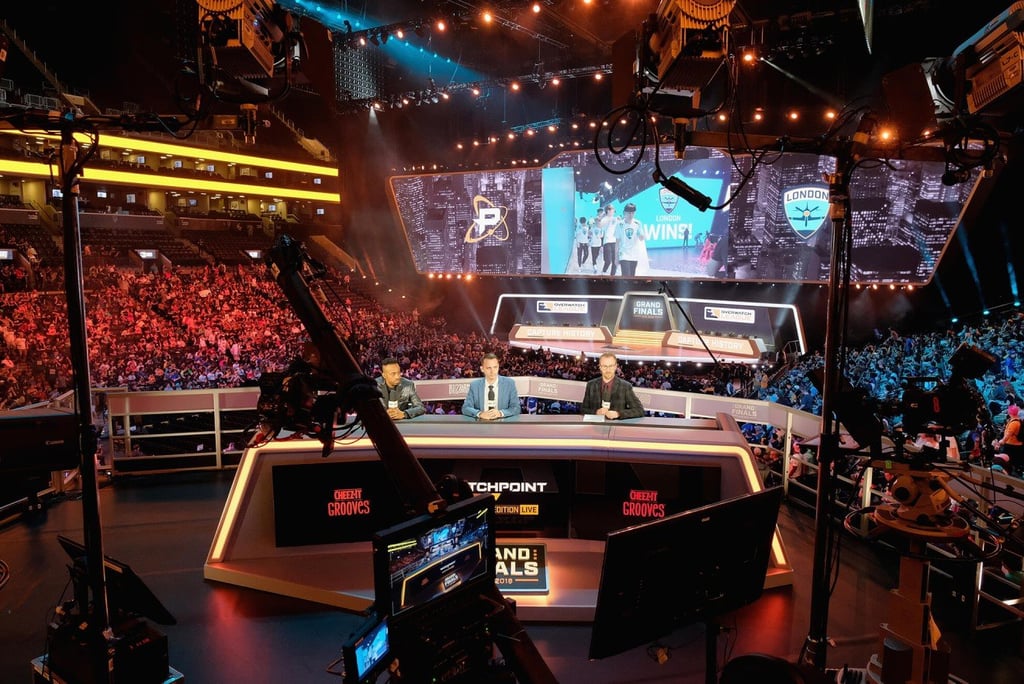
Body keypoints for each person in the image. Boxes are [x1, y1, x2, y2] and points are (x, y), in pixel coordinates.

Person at [580, 352, 645, 420]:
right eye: (605, 366)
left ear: (615, 366)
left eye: (611, 366)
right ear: (600, 367)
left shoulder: (625, 386)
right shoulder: (591, 385)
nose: (608, 369)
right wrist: (596, 412)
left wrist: (618, 413)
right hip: (595, 427)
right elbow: (583, 410)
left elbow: (639, 410)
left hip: (616, 428)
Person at [462, 352, 521, 420]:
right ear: (482, 369)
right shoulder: (474, 385)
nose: (492, 371)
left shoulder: (509, 383)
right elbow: (466, 408)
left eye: (495, 367)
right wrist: (480, 414)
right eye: (488, 368)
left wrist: (500, 413)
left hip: (502, 426)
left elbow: (516, 408)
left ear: (498, 367)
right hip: (482, 425)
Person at [614, 203, 646, 277]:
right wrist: (616, 258)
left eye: (633, 213)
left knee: (632, 276)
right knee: (626, 276)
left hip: (634, 253)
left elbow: (641, 237)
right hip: (623, 253)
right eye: (629, 213)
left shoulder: (637, 223)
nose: (631, 215)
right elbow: (617, 242)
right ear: (624, 212)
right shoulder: (620, 224)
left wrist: (642, 236)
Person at [995, 403, 1023, 475]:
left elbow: (1008, 435)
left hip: (1011, 446)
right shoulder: (1017, 420)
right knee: (1015, 461)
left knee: (1007, 461)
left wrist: (1001, 442)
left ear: (1010, 412)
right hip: (1016, 445)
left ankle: (1009, 474)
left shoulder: (1014, 423)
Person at [598, 204, 618, 276]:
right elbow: (600, 226)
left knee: (615, 261)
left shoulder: (615, 218)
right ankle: (604, 271)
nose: (614, 211)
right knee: (608, 261)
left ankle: (612, 276)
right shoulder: (605, 219)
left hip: (615, 241)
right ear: (608, 210)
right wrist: (601, 218)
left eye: (613, 209)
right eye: (612, 209)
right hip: (607, 242)